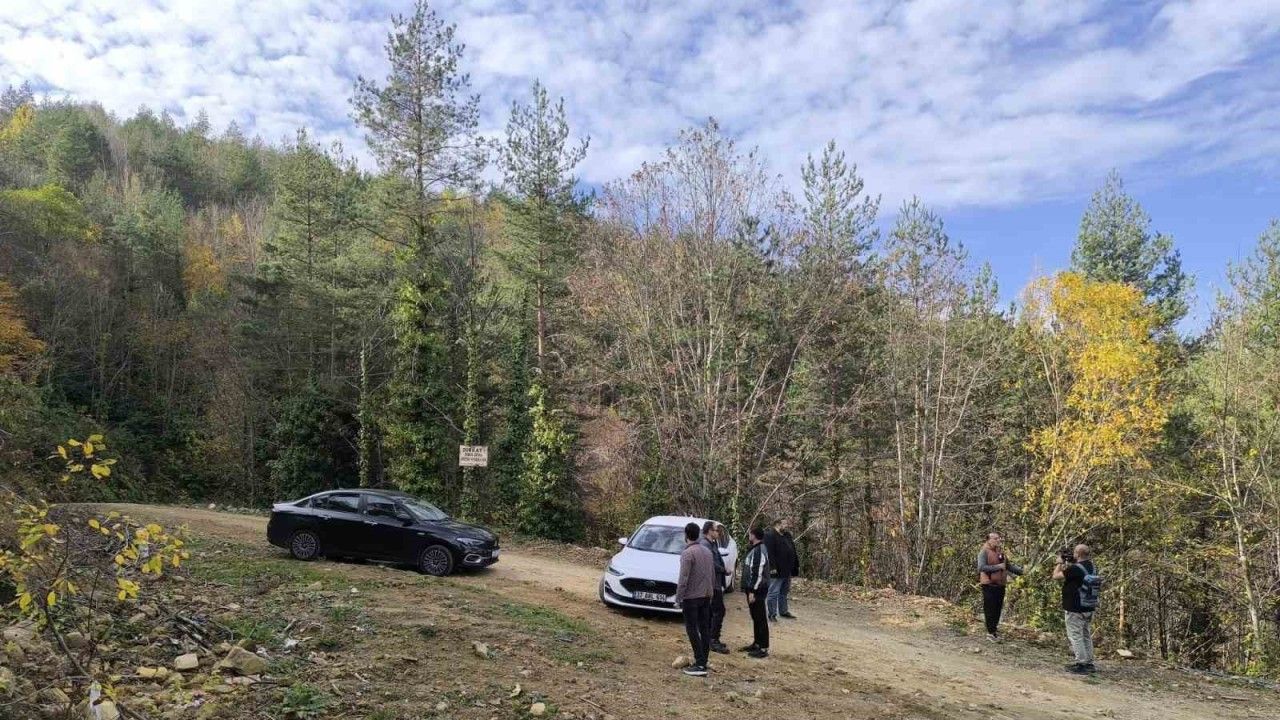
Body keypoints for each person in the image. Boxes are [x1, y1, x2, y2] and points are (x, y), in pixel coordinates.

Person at [674, 521, 715, 676]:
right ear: (698, 534)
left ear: (686, 535)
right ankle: (703, 660)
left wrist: (678, 598)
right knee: (704, 629)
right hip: (706, 595)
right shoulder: (707, 552)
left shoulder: (687, 553)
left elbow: (683, 578)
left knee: (692, 629)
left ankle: (699, 663)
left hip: (691, 597)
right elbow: (712, 575)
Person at [1054, 543, 1098, 674]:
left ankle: (1081, 663)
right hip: (1088, 606)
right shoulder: (1092, 566)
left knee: (1075, 636)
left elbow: (1056, 576)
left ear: (1077, 554)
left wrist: (1059, 563)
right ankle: (1089, 662)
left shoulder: (1075, 569)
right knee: (1086, 635)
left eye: (1074, 552)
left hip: (1075, 608)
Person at [976, 531, 1023, 642]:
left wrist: (1023, 571)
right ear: (988, 540)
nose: (998, 540)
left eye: (999, 538)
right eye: (995, 538)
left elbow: (1009, 566)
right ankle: (990, 632)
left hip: (1000, 585)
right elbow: (981, 567)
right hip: (989, 585)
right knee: (990, 609)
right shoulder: (983, 552)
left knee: (997, 609)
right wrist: (998, 567)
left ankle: (994, 631)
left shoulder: (1001, 553)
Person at [740, 526, 771, 659]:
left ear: (753, 535)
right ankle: (757, 643)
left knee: (760, 617)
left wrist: (752, 591)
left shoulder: (758, 550)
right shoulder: (756, 549)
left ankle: (763, 647)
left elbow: (757, 572)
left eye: (750, 534)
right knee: (756, 617)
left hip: (757, 589)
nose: (749, 536)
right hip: (754, 588)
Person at [700, 521, 729, 654]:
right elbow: (710, 563)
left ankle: (711, 638)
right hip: (711, 583)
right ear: (709, 531)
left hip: (715, 582)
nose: (718, 533)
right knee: (719, 611)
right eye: (716, 530)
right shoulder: (705, 545)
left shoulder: (712, 543)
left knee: (714, 612)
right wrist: (724, 570)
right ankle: (713, 639)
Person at [764, 518, 799, 621]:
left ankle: (783, 611)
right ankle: (772, 614)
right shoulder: (769, 535)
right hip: (776, 570)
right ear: (777, 524)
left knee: (784, 592)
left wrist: (795, 566)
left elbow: (793, 550)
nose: (787, 525)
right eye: (785, 523)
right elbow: (769, 554)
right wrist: (772, 568)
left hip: (787, 569)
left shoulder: (787, 535)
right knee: (773, 592)